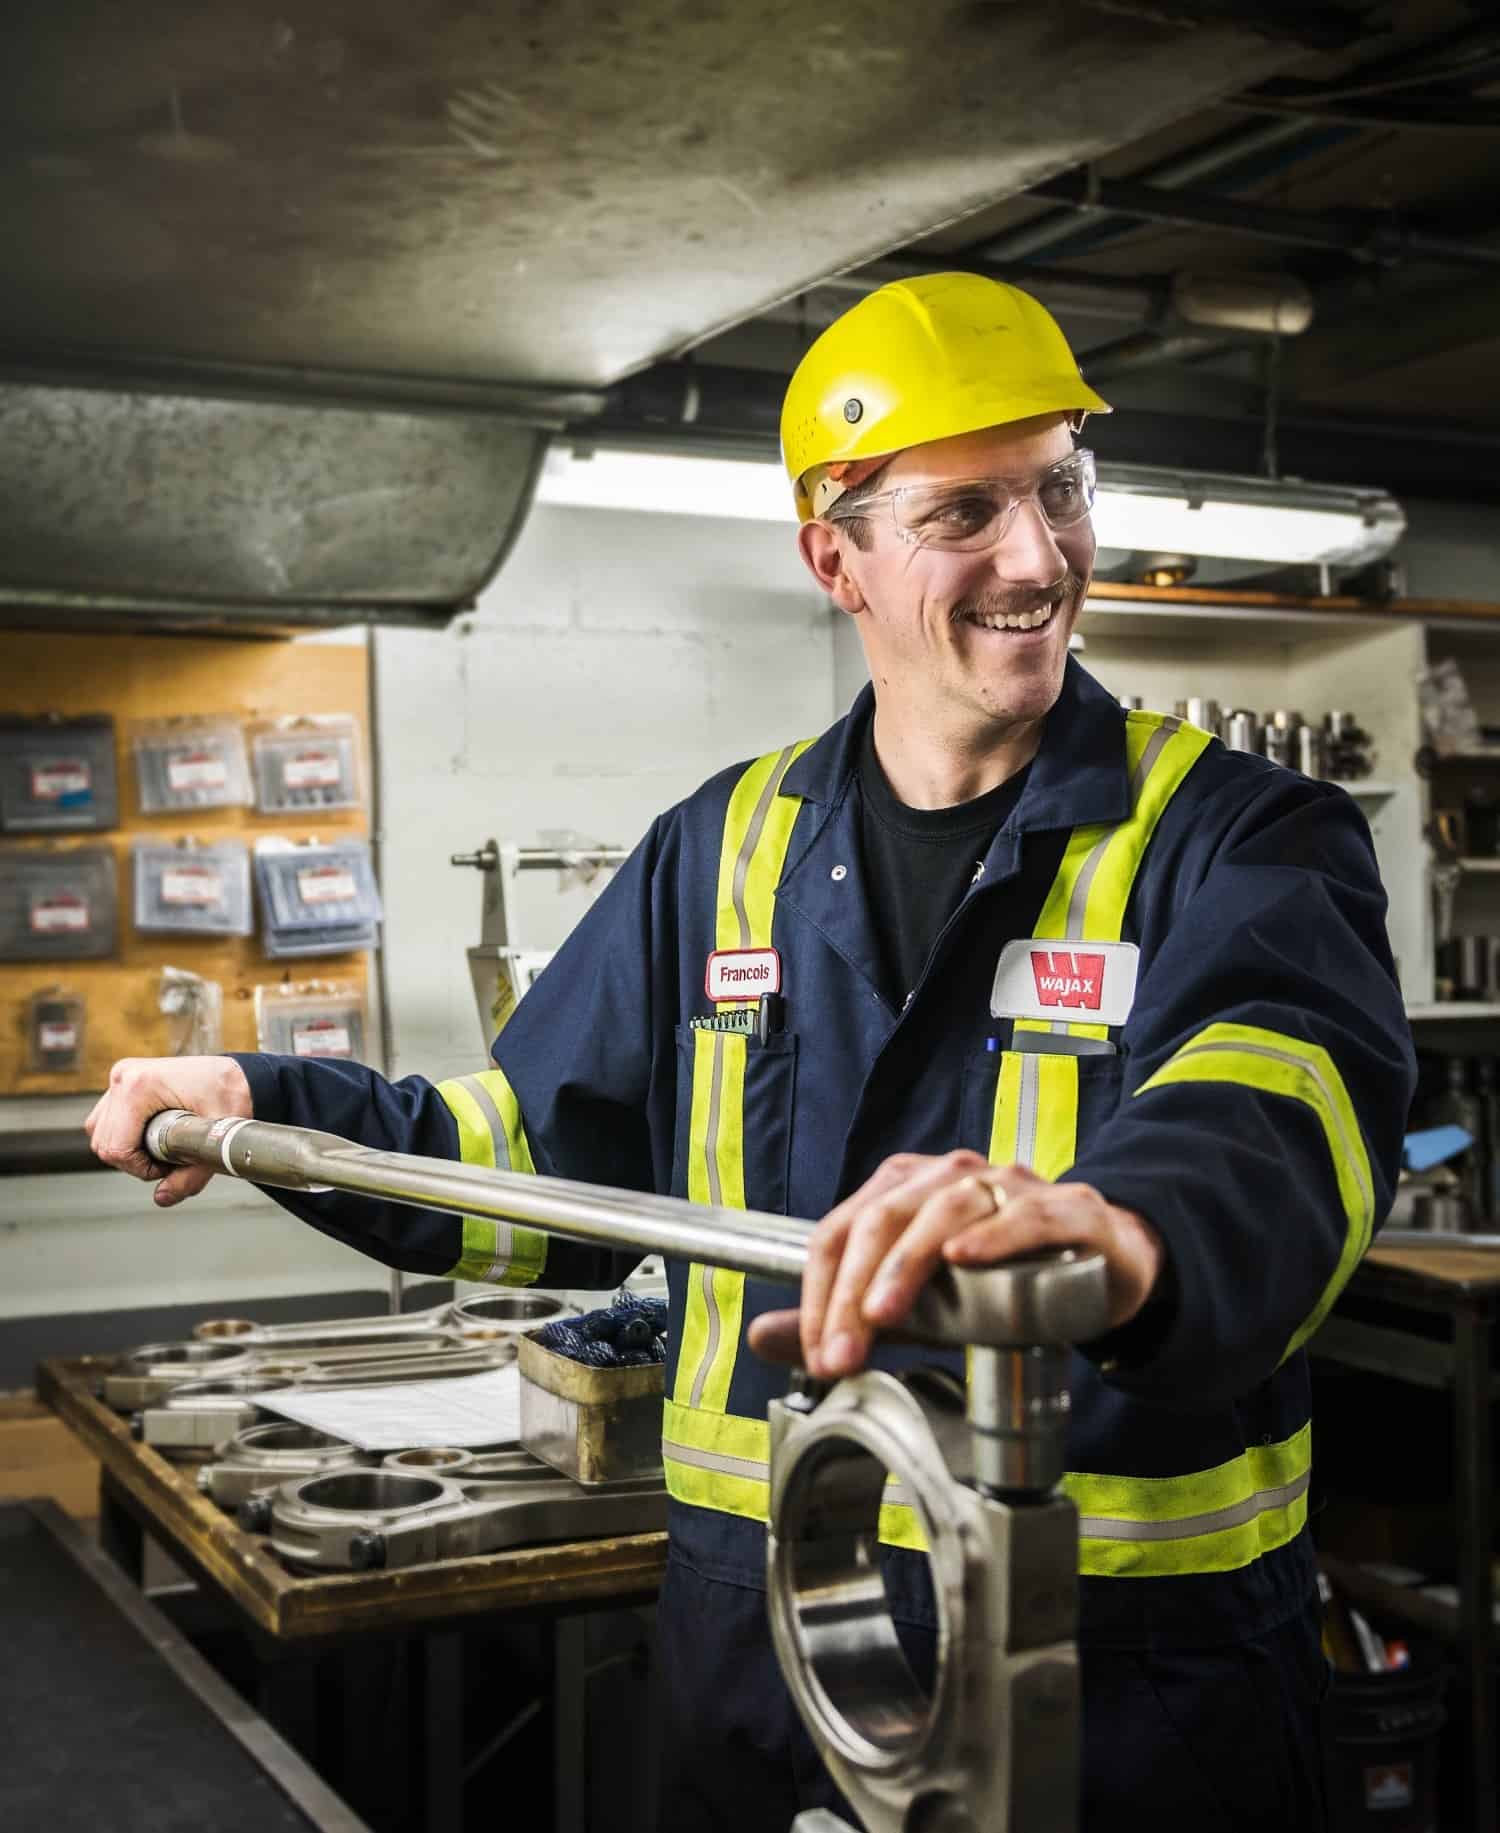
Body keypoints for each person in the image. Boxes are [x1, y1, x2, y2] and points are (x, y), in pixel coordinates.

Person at [89, 272, 1415, 1830]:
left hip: (1125, 1693)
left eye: (1061, 487)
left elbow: (1285, 1102)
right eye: (965, 513)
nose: (1040, 557)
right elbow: (515, 1150)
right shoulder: (720, 848)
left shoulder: (1240, 837)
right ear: (833, 557)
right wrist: (263, 1096)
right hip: (765, 1660)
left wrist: (1127, 1225)